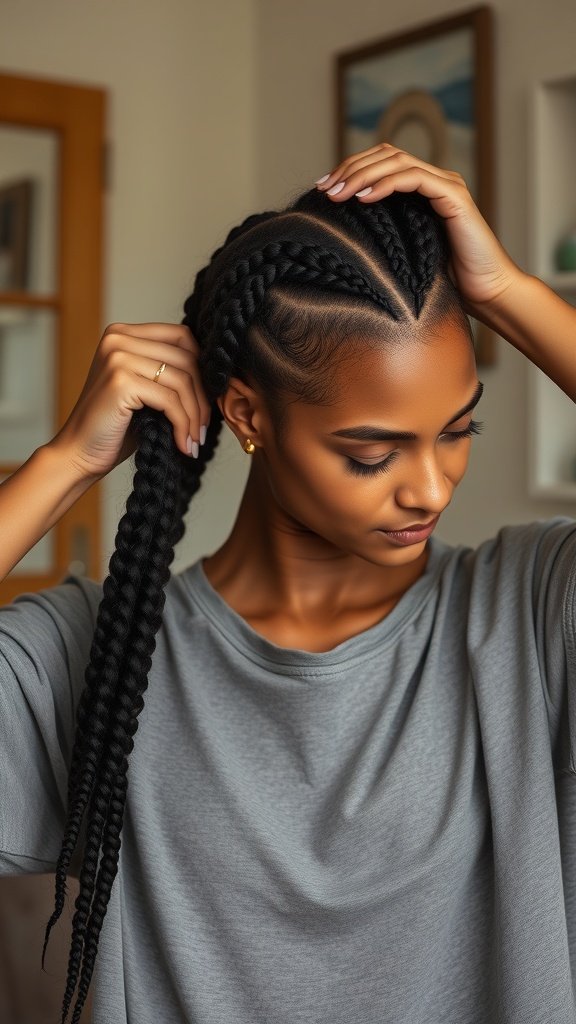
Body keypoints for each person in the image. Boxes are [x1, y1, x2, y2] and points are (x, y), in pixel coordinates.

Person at [1, 142, 576, 1024]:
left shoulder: (529, 613)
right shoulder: (93, 656)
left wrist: (509, 295)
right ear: (246, 415)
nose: (431, 487)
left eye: (458, 431)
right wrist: (65, 463)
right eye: (373, 453)